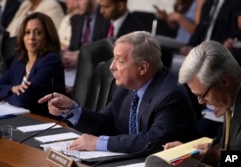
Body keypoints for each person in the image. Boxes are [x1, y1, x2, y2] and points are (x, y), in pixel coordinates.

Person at [39, 31, 199, 154]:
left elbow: (154, 141)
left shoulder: (170, 94)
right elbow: (106, 123)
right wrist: (73, 110)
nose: (111, 66)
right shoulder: (124, 86)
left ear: (143, 68)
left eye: (120, 61)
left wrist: (98, 143)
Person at [165, 40, 241, 165]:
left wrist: (219, 155)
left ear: (224, 81)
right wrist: (190, 151)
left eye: (203, 95)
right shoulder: (229, 100)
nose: (201, 102)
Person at [0, 12, 66, 117]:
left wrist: (3, 95)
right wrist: (11, 89)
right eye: (27, 32)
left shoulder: (51, 61)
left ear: (48, 36)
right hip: (20, 118)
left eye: (38, 33)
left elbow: (23, 99)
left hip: (44, 121)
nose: (31, 37)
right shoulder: (19, 61)